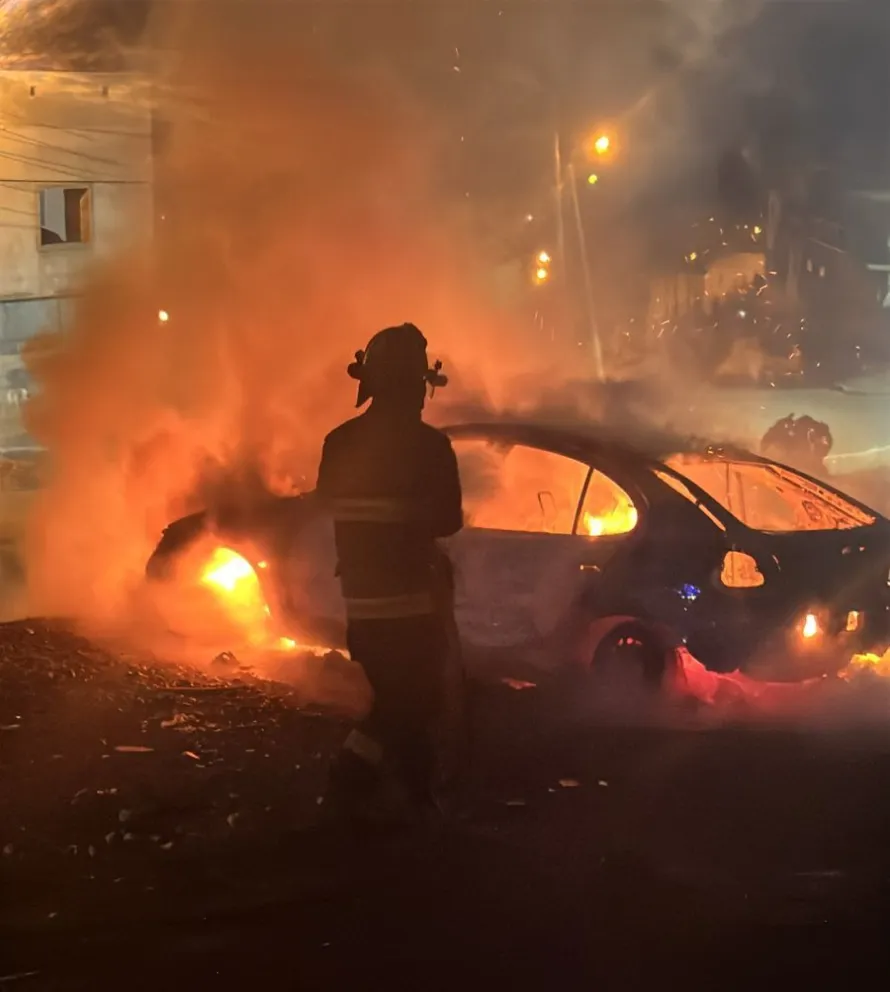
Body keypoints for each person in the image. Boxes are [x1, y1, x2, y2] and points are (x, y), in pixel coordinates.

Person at [315, 323, 463, 824]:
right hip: (414, 604)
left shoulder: (337, 442)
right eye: (419, 383)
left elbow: (329, 507)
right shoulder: (430, 448)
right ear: (412, 384)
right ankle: (355, 781)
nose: (422, 395)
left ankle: (409, 797)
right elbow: (449, 521)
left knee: (402, 700)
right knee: (415, 701)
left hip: (362, 604)